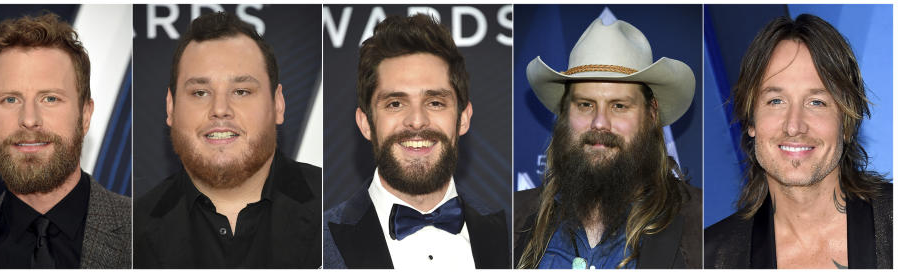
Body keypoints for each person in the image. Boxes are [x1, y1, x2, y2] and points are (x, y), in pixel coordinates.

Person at [0, 12, 131, 269]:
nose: (29, 119)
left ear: (85, 115)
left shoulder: (149, 237)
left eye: (50, 98)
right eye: (11, 99)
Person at [133, 12, 322, 268]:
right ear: (170, 107)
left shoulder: (332, 212)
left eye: (241, 91)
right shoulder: (131, 233)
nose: (220, 109)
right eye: (200, 92)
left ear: (278, 104)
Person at [704, 14, 892, 269]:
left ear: (846, 124)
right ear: (751, 122)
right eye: (776, 101)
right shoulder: (711, 258)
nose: (794, 126)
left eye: (816, 102)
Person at [322, 14, 510, 269]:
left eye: (435, 102)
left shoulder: (514, 237)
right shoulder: (317, 245)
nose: (417, 121)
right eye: (395, 103)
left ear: (463, 119)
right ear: (366, 123)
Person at [514, 15, 701, 269]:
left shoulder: (700, 224)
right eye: (585, 105)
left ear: (651, 114)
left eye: (619, 106)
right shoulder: (514, 218)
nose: (599, 123)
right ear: (565, 113)